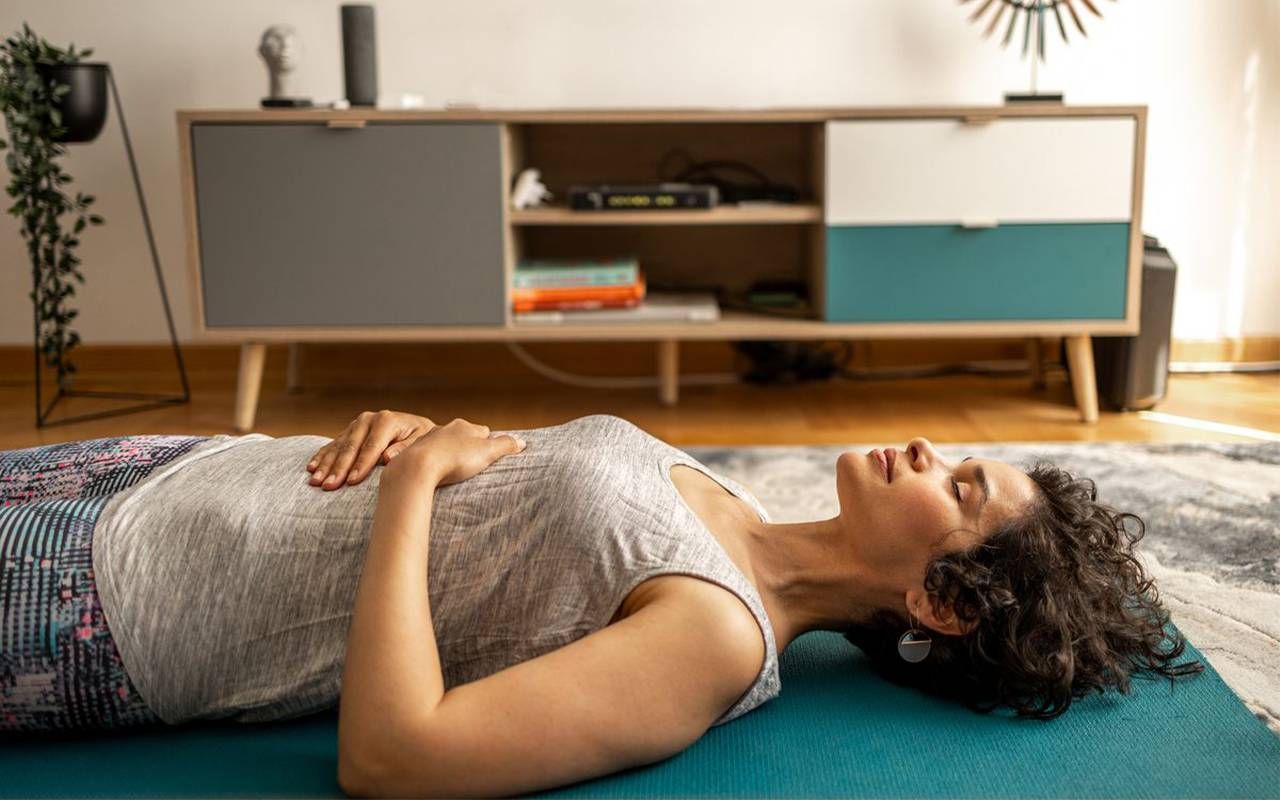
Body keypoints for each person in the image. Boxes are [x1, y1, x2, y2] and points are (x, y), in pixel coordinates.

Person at [0, 411, 1202, 795]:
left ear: (939, 600)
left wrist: (412, 483)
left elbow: (392, 751)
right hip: (183, 470)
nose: (928, 447)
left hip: (106, 593)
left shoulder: (715, 633)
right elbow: (499, 505)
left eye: (959, 484)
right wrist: (410, 433)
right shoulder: (725, 496)